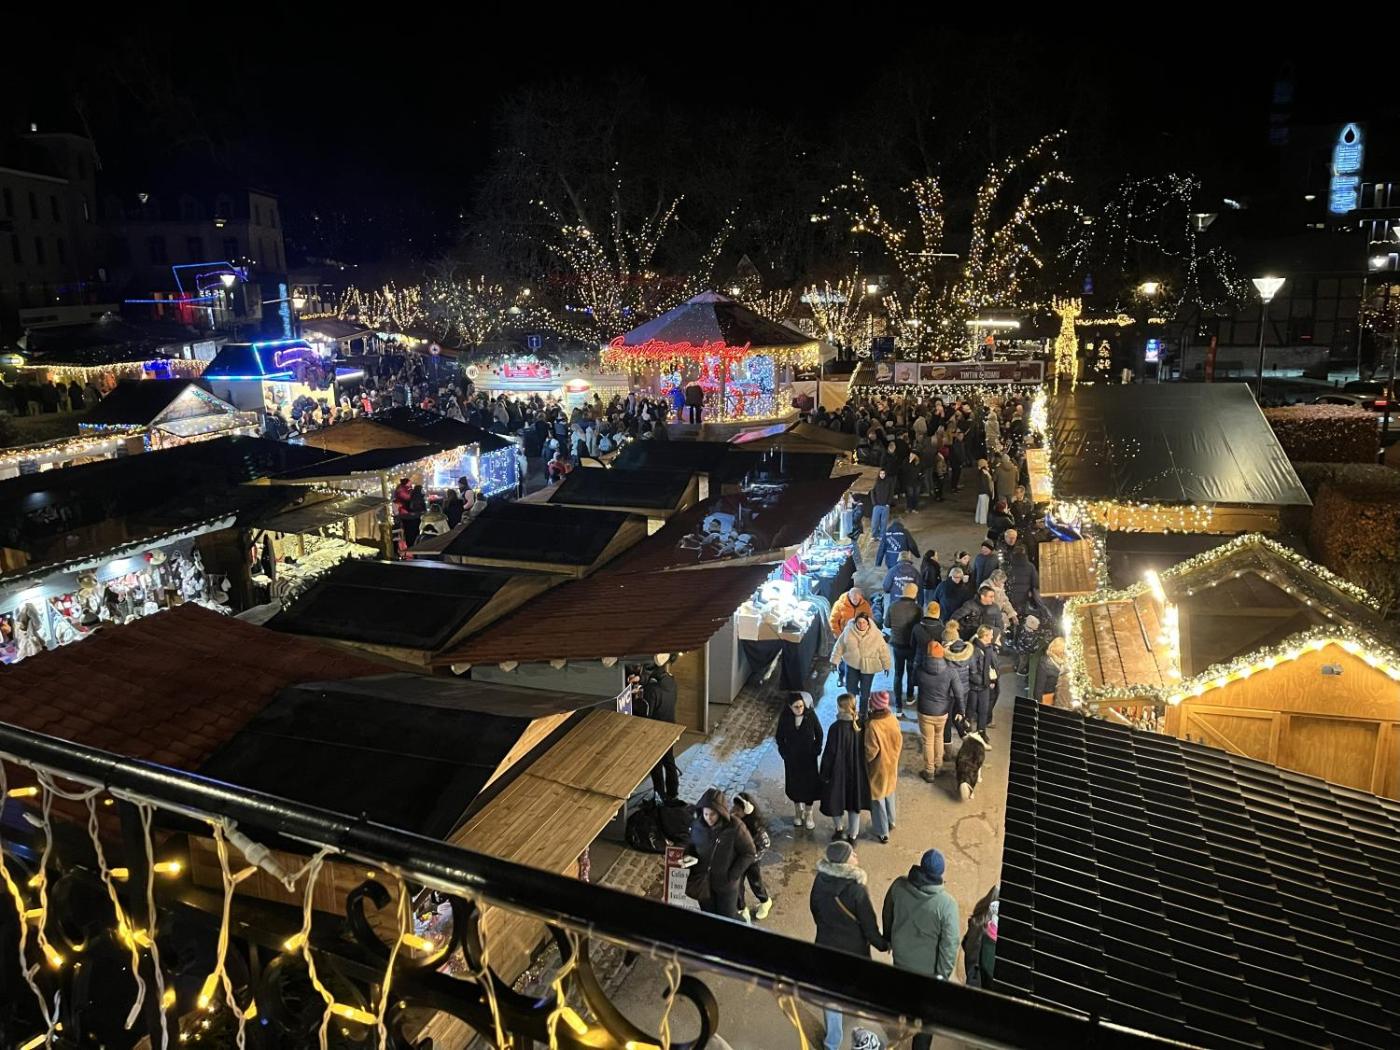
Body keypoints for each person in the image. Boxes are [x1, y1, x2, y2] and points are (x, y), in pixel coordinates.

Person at [810, 838, 887, 1050]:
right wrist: (882, 945)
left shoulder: (820, 881)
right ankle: (856, 1025)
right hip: (853, 952)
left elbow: (815, 910)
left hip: (825, 947)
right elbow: (869, 927)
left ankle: (832, 1042)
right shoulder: (856, 890)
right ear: (844, 861)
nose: (856, 856)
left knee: (830, 995)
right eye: (852, 853)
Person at [883, 849, 960, 1050]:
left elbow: (887, 912)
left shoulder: (899, 885)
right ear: (940, 873)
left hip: (901, 959)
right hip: (928, 973)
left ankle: (899, 1027)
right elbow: (949, 945)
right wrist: (942, 976)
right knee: (926, 1017)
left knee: (902, 998)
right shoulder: (946, 905)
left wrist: (888, 938)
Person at [685, 788, 755, 919]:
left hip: (726, 886)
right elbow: (691, 845)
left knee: (728, 917)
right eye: (706, 814)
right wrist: (688, 856)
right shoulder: (697, 826)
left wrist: (732, 875)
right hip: (703, 882)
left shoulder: (736, 827)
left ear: (720, 812)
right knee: (708, 916)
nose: (708, 818)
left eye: (712, 814)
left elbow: (749, 852)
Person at [818, 693, 870, 842]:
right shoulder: (860, 725)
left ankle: (839, 829)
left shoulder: (835, 728)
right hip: (856, 771)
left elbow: (830, 753)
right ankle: (853, 835)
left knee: (836, 800)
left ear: (841, 707)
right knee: (854, 803)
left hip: (838, 772)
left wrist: (824, 773)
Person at [915, 641, 967, 782]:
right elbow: (959, 693)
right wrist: (961, 710)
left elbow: (913, 682)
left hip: (925, 710)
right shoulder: (951, 671)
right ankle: (938, 766)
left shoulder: (919, 669)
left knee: (928, 741)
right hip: (942, 711)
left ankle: (929, 771)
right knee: (939, 737)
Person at [829, 613, 891, 719]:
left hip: (868, 667)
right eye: (859, 622)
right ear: (855, 622)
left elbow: (883, 650)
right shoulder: (848, 631)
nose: (861, 625)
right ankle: (851, 712)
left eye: (864, 622)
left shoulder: (876, 634)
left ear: (868, 623)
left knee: (865, 693)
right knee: (850, 690)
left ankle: (863, 714)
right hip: (852, 664)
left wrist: (886, 664)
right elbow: (839, 646)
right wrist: (834, 661)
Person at [776, 692, 822, 829]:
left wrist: (816, 750)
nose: (799, 709)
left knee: (809, 786)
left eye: (801, 706)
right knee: (794, 784)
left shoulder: (810, 716)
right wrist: (784, 752)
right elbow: (779, 737)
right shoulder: (785, 718)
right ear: (790, 707)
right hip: (792, 759)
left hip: (808, 758)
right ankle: (798, 811)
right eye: (796, 707)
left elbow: (819, 733)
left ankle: (809, 813)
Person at [863, 692, 903, 843]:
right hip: (891, 764)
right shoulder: (892, 719)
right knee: (889, 793)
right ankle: (892, 821)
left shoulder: (873, 725)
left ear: (874, 705)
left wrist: (864, 761)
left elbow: (871, 751)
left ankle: (882, 832)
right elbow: (899, 741)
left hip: (878, 767)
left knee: (877, 799)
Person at [732, 792, 773, 922]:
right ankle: (741, 908)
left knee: (755, 883)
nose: (734, 811)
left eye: (738, 809)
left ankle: (765, 901)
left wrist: (752, 858)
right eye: (734, 807)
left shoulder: (757, 828)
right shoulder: (733, 820)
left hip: (751, 861)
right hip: (737, 860)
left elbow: (765, 843)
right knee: (737, 885)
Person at [642, 661, 680, 799]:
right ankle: (673, 792)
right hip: (670, 726)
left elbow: (647, 713)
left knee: (656, 764)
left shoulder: (652, 690)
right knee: (669, 760)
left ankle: (660, 795)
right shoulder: (672, 682)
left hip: (656, 731)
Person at [885, 582, 921, 715]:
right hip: (911, 646)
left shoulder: (893, 606)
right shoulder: (917, 609)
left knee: (898, 674)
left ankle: (898, 706)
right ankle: (910, 696)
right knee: (911, 672)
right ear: (915, 594)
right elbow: (920, 627)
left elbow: (887, 624)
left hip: (897, 645)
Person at [963, 884, 1000, 991]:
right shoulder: (991, 930)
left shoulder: (976, 920)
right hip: (982, 979)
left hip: (971, 971)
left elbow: (965, 943)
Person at [968, 624, 999, 735]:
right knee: (970, 711)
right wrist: (984, 681)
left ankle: (981, 732)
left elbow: (991, 666)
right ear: (985, 636)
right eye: (990, 635)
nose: (992, 637)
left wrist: (992, 680)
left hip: (984, 685)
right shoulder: (974, 650)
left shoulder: (989, 648)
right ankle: (968, 732)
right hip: (974, 687)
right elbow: (972, 672)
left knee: (984, 710)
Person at [1037, 636, 1067, 706]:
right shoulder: (1044, 664)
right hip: (1049, 696)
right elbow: (1039, 688)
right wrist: (1039, 704)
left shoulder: (1065, 662)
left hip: (1059, 696)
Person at [869, 468, 894, 544]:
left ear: (885, 474)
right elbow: (872, 493)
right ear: (879, 474)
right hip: (877, 505)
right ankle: (874, 535)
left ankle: (882, 536)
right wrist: (874, 503)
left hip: (885, 505)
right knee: (875, 522)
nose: (882, 475)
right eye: (881, 473)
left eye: (883, 473)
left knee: (884, 522)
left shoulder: (889, 482)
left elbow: (891, 493)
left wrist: (888, 503)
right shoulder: (875, 482)